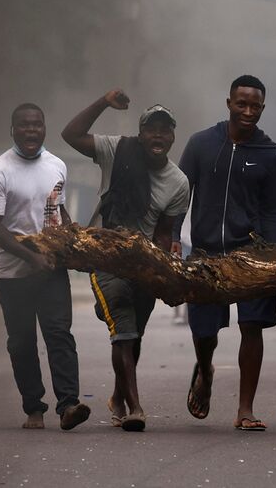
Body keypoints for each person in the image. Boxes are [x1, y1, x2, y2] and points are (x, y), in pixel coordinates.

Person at [62, 89, 190, 431]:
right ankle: (134, 408)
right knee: (124, 325)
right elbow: (70, 135)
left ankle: (118, 397)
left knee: (133, 335)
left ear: (173, 136)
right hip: (105, 254)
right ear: (141, 134)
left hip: (143, 262)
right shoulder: (116, 149)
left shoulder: (178, 182)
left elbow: (165, 232)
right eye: (152, 129)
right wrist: (102, 101)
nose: (158, 135)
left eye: (165, 130)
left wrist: (165, 268)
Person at [174, 75, 276, 431]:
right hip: (205, 252)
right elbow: (178, 193)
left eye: (255, 106)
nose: (248, 111)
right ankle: (204, 371)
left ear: (263, 108)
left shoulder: (270, 155)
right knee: (205, 331)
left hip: (250, 253)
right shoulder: (201, 144)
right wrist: (175, 235)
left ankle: (245, 409)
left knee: (252, 327)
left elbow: (273, 210)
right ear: (229, 103)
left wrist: (272, 252)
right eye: (242, 103)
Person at [0, 103, 90, 431]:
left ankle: (69, 404)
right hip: (13, 274)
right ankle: (34, 408)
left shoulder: (56, 165)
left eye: (36, 125)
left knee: (59, 335)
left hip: (52, 268)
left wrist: (75, 240)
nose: (31, 130)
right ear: (12, 130)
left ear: (44, 128)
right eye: (24, 125)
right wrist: (31, 257)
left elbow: (56, 209)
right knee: (22, 341)